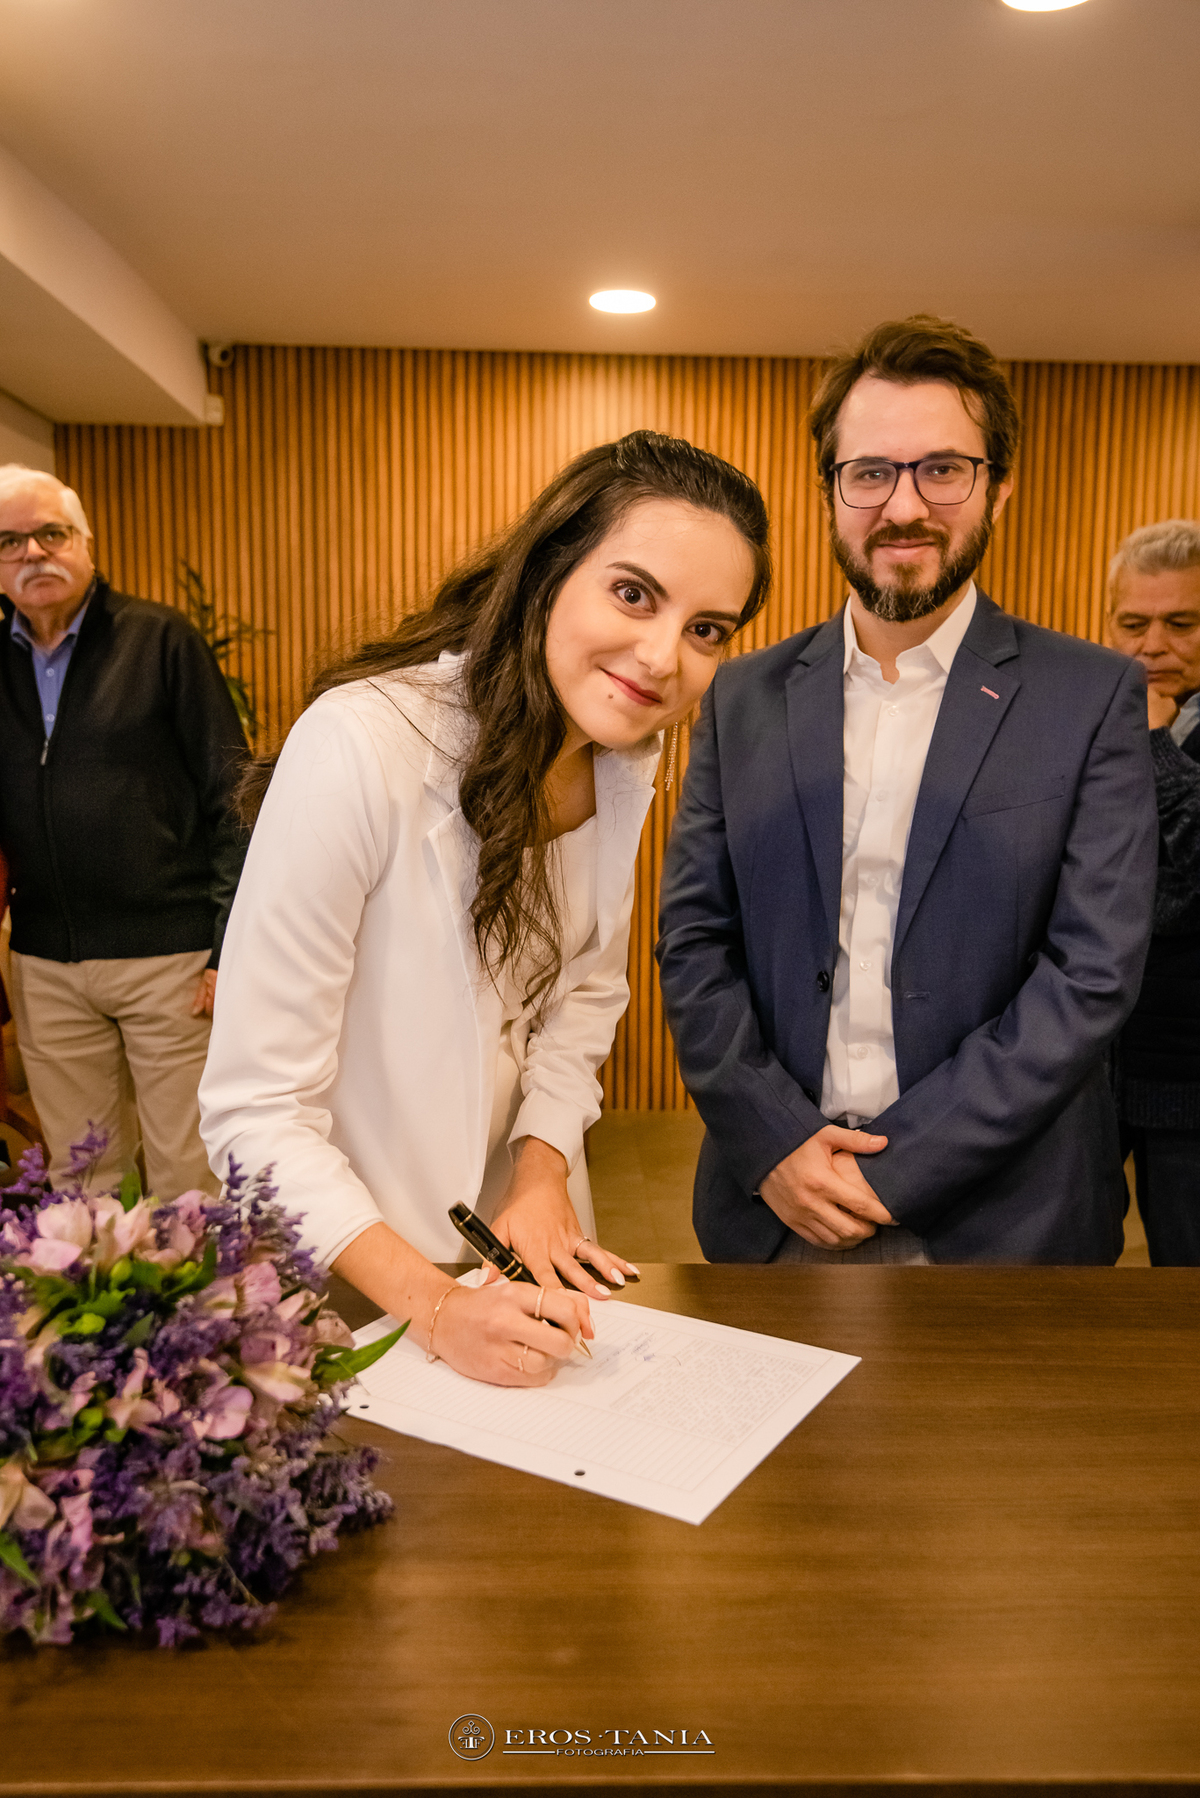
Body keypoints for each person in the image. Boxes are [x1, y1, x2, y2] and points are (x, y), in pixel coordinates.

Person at [200, 431, 770, 1384]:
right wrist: (436, 1305)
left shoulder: (626, 757)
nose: (665, 654)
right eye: (634, 593)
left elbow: (586, 994)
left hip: (523, 1241)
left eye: (708, 628)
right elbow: (253, 1113)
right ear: (549, 571)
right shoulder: (359, 744)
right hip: (358, 1267)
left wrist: (542, 1168)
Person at [657, 315, 1157, 1266]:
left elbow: (1090, 972)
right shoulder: (741, 695)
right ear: (831, 490)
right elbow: (692, 940)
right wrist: (776, 1145)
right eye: (871, 472)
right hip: (773, 1208)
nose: (903, 507)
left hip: (1005, 1224)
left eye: (943, 469)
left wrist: (895, 1170)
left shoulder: (1090, 697)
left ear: (998, 489)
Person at [0, 466, 248, 1198]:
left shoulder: (161, 640)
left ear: (86, 543)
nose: (33, 554)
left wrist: (226, 946)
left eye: (51, 533)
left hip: (170, 959)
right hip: (45, 962)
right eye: (10, 542)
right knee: (82, 1180)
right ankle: (109, 1314)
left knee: (188, 1172)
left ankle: (206, 1314)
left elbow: (233, 796)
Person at [1106, 520, 1200, 1264]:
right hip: (1095, 1063)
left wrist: (1157, 745)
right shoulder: (1102, 718)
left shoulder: (1148, 729)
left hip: (1187, 1073)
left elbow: (1182, 891)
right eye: (1133, 623)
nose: (1152, 645)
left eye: (1182, 623)